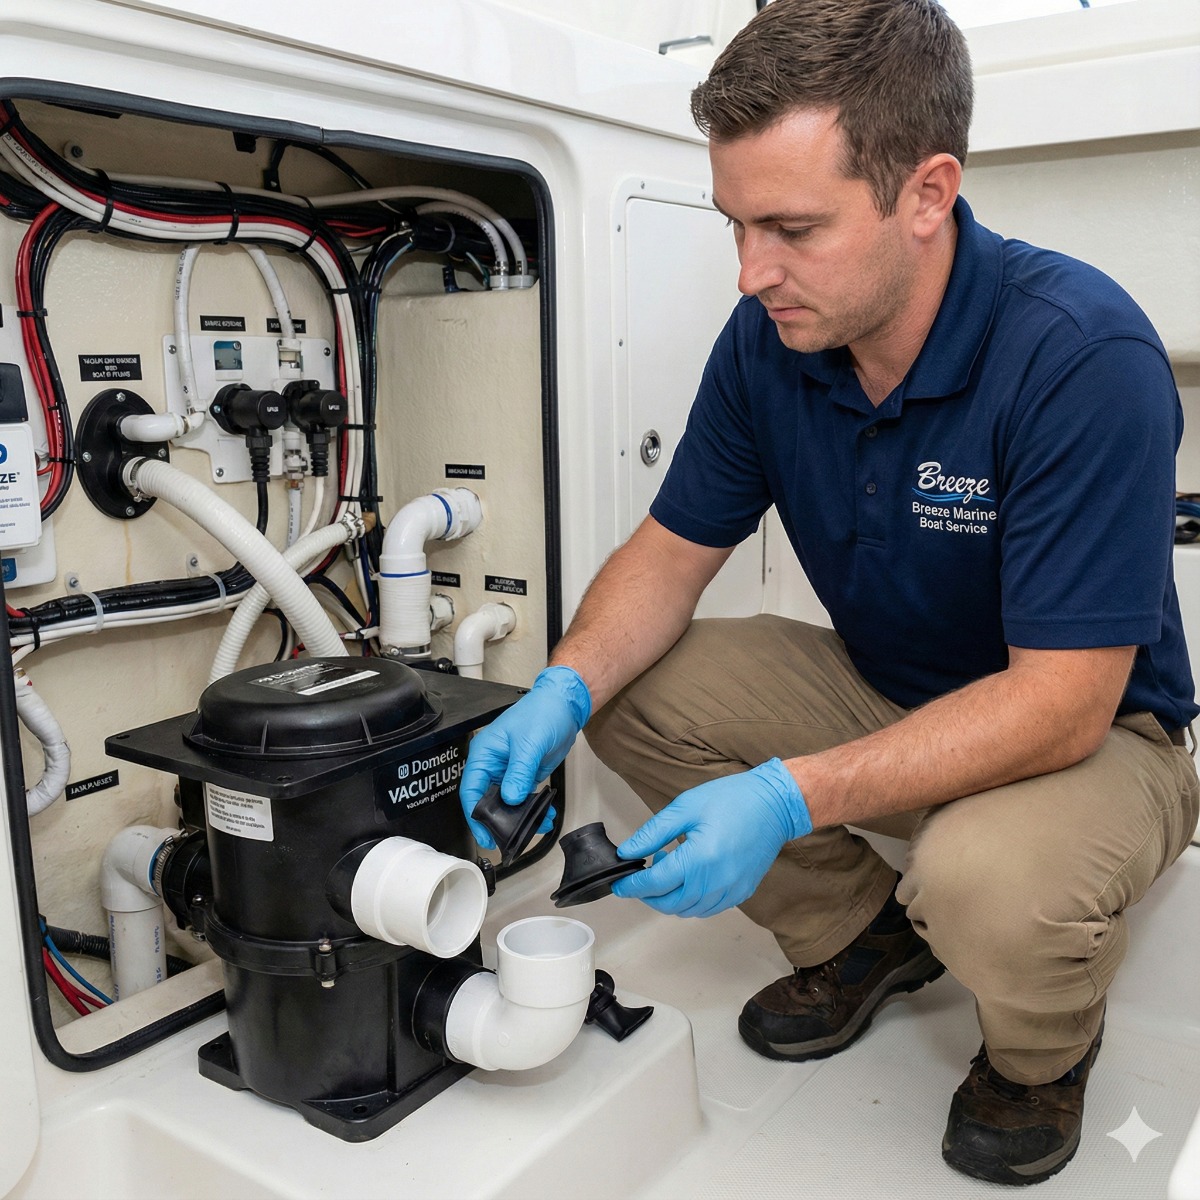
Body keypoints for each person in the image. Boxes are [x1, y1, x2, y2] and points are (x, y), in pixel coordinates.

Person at [458, 0, 1199, 1186]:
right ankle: (864, 936)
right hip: (890, 689)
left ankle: (1038, 1054)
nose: (753, 274)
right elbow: (666, 556)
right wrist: (557, 684)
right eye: (736, 226)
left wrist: (787, 797)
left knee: (983, 882)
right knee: (631, 685)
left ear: (927, 192)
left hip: (1099, 738)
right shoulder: (774, 342)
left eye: (792, 228)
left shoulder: (1080, 355)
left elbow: (1062, 705)